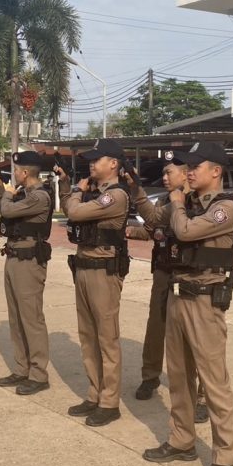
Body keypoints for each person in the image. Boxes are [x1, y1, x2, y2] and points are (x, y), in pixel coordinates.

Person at [137, 142, 233, 466]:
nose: (190, 171)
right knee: (180, 377)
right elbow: (155, 220)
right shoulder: (187, 203)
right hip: (178, 296)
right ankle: (181, 440)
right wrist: (140, 193)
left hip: (205, 302)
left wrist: (177, 202)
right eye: (188, 166)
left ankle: (225, 458)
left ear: (216, 171)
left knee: (214, 383)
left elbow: (185, 231)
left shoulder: (225, 208)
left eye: (196, 166)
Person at [127, 154, 208, 424]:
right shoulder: (164, 200)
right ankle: (150, 377)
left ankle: (202, 395)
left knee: (195, 337)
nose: (164, 177)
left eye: (169, 172)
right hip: (164, 272)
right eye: (163, 172)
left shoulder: (199, 201)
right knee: (156, 326)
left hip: (190, 275)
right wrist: (132, 229)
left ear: (185, 174)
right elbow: (153, 226)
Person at [55, 139, 130, 427]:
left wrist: (76, 191)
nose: (92, 163)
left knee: (106, 338)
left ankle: (109, 402)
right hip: (84, 267)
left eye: (97, 159)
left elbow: (75, 212)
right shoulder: (94, 193)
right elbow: (69, 208)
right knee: (87, 336)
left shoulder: (115, 195)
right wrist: (67, 186)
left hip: (103, 272)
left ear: (113, 163)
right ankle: (94, 393)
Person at [0, 152, 54, 396]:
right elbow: (7, 210)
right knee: (16, 317)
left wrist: (7, 194)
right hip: (14, 256)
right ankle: (21, 368)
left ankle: (38, 374)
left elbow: (7, 211)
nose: (14, 174)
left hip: (29, 261)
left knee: (31, 318)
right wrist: (1, 190)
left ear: (26, 172)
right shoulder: (25, 194)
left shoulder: (39, 196)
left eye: (17, 170)